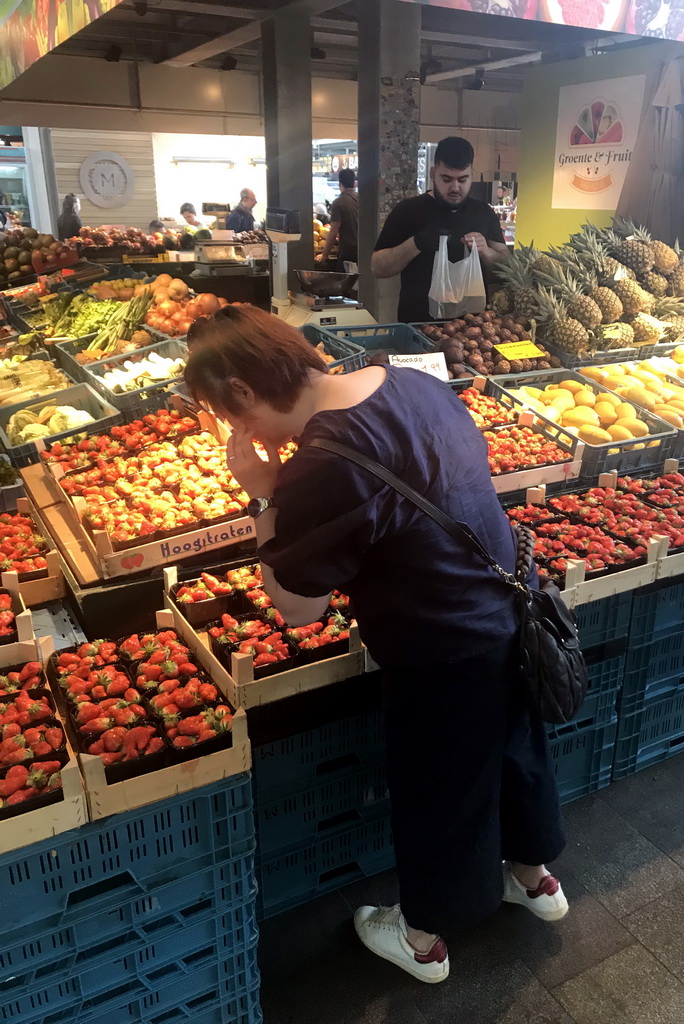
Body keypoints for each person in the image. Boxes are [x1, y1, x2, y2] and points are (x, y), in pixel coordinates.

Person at [183, 304, 568, 985]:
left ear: (242, 392)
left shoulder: (321, 461)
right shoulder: (407, 380)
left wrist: (262, 496)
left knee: (440, 789)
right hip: (512, 610)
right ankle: (535, 881)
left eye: (231, 416)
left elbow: (299, 607)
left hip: (440, 643)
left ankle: (423, 940)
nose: (240, 432)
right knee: (515, 749)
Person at [372, 136, 508, 323]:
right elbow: (377, 267)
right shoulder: (408, 211)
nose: (455, 187)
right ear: (432, 172)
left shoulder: (483, 212)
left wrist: (486, 251)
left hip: (473, 335)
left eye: (463, 179)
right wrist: (416, 243)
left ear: (472, 174)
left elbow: (506, 267)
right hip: (418, 328)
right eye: (446, 179)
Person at [316, 168, 358, 270]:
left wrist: (324, 255)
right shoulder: (362, 200)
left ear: (340, 185)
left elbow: (333, 232)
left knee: (344, 284)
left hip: (347, 254)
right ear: (354, 184)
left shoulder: (338, 203)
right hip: (362, 253)